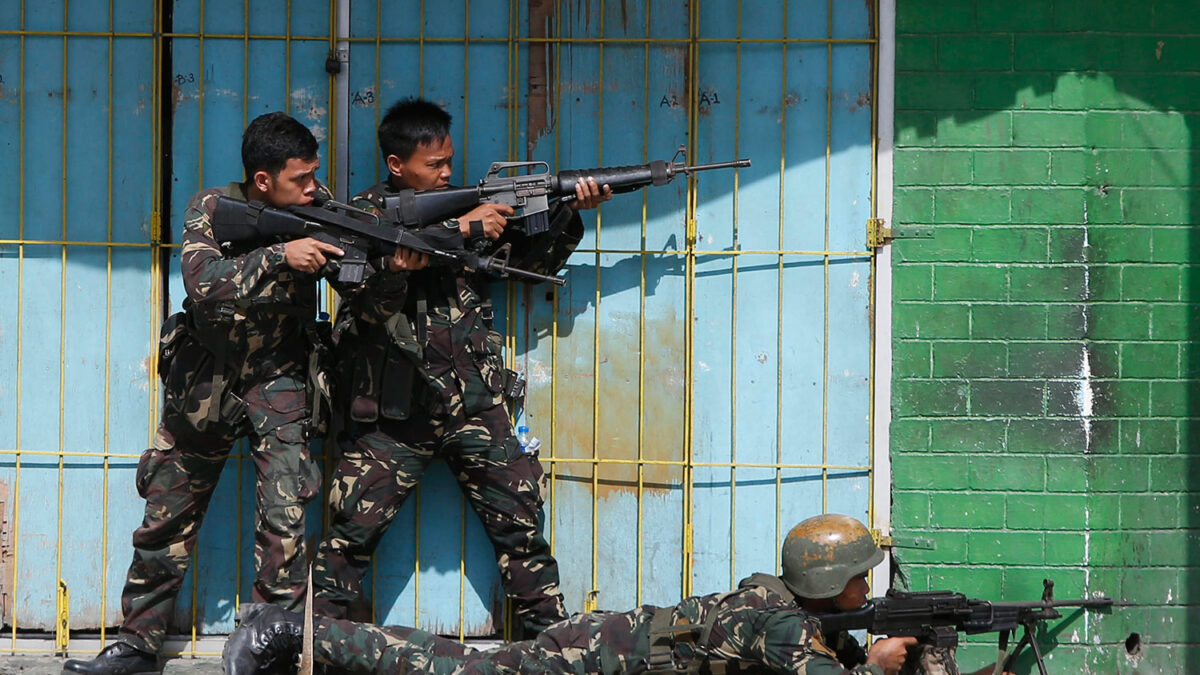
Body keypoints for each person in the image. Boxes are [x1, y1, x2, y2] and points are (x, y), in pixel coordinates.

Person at [63, 112, 422, 675]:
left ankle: (272, 649)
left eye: (313, 175)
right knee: (167, 510)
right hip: (204, 379)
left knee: (285, 518)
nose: (312, 188)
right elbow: (202, 285)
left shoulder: (320, 209)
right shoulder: (211, 208)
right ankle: (136, 642)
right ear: (262, 181)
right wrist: (282, 254)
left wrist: (392, 273)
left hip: (281, 379)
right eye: (300, 179)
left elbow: (370, 307)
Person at [309, 98, 611, 636]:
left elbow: (529, 265)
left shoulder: (462, 203)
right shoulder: (361, 217)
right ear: (397, 165)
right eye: (435, 165)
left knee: (521, 523)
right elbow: (366, 293)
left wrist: (570, 212)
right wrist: (464, 230)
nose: (448, 172)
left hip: (474, 400)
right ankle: (318, 640)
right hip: (393, 408)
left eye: (449, 160)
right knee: (352, 531)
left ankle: (555, 646)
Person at [223, 514, 1014, 675]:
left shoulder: (790, 607)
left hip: (609, 642)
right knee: (453, 665)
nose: (869, 588)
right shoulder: (780, 628)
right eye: (860, 578)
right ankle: (293, 630)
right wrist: (881, 662)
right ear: (827, 584)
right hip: (593, 659)